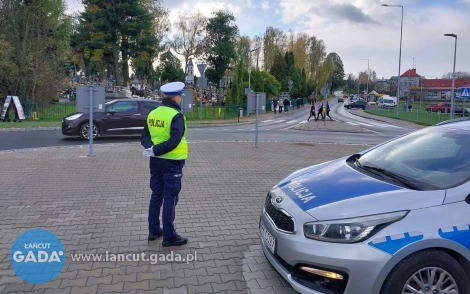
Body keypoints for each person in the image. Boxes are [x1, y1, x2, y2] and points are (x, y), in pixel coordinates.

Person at [141, 81, 189, 247]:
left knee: (156, 195)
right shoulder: (176, 115)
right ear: (176, 98)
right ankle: (169, 236)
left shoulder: (153, 113)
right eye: (180, 97)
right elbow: (175, 140)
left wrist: (152, 149)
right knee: (170, 198)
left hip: (155, 162)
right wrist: (156, 150)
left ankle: (153, 230)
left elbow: (144, 136)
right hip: (172, 162)